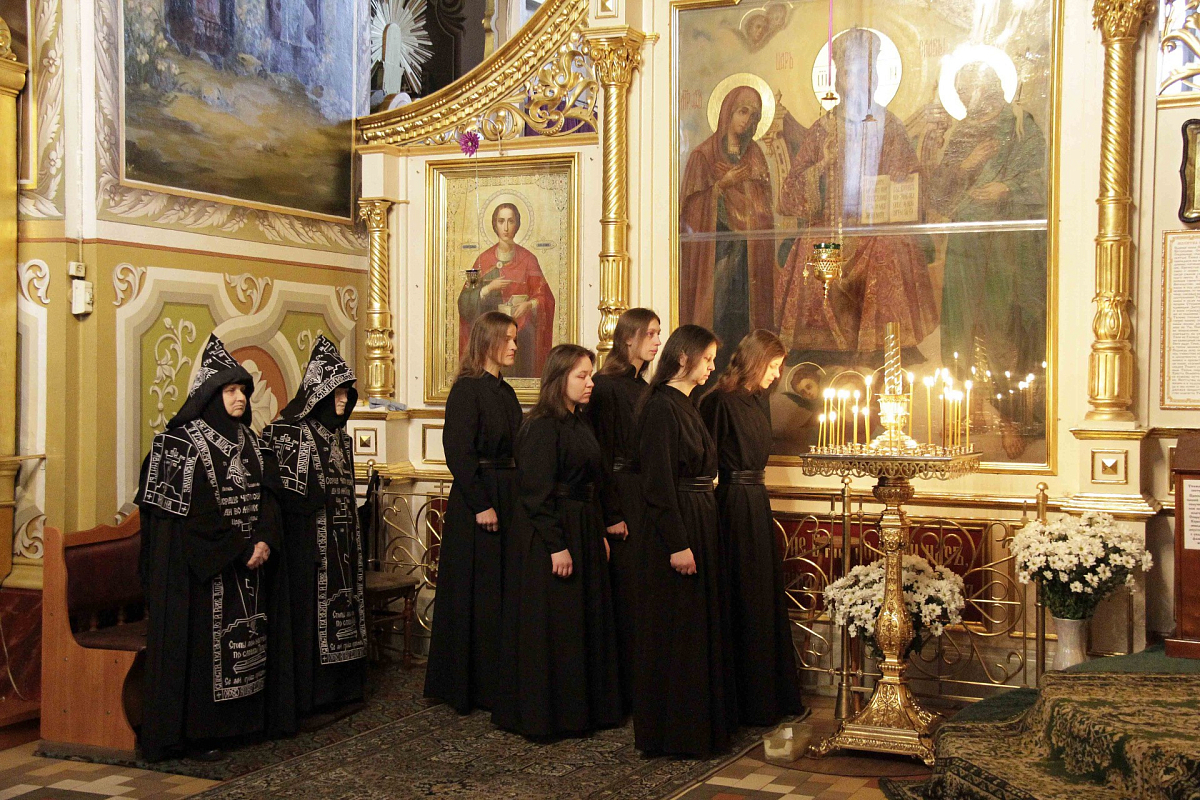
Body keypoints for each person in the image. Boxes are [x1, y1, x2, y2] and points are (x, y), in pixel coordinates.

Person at [136, 334, 294, 761]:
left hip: (251, 560)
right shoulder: (178, 446)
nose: (240, 398)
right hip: (203, 576)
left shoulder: (252, 441)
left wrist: (264, 538)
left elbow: (270, 496)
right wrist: (239, 549)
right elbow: (189, 518)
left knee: (250, 639)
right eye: (230, 390)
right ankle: (203, 732)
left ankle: (246, 724)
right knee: (208, 650)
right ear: (209, 396)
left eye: (243, 390)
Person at [776, 28, 937, 364]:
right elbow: (789, 195)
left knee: (885, 247)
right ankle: (820, 351)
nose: (859, 80)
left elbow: (914, 186)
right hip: (830, 231)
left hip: (876, 230)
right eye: (851, 72)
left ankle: (882, 351)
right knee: (814, 247)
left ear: (874, 78)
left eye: (866, 71)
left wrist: (901, 182)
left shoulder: (889, 126)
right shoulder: (822, 131)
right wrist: (823, 165)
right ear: (839, 78)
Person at [493, 345, 622, 736]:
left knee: (581, 622)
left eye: (591, 374)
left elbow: (591, 484)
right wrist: (556, 546)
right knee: (554, 625)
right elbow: (535, 494)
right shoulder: (541, 426)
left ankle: (581, 711)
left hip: (581, 527)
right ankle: (547, 715)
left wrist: (597, 532)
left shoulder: (579, 422)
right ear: (558, 378)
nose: (590, 382)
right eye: (581, 375)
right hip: (550, 534)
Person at [632, 324, 737, 757]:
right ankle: (674, 733)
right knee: (677, 629)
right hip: (676, 527)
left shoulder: (686, 403)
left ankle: (699, 727)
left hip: (699, 517)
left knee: (697, 626)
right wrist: (677, 544)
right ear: (683, 358)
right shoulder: (661, 407)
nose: (712, 367)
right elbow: (657, 484)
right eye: (707, 358)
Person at [699, 330, 804, 726]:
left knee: (761, 593)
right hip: (732, 505)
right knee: (740, 592)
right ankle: (741, 700)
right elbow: (706, 462)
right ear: (756, 361)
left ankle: (767, 696)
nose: (776, 375)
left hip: (756, 501)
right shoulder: (718, 402)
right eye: (773, 366)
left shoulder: (758, 400)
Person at [260, 335, 366, 723]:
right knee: (309, 619)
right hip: (306, 547)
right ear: (317, 395)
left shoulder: (341, 439)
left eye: (347, 394)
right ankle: (310, 696)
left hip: (342, 545)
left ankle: (341, 691)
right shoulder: (288, 433)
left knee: (343, 609)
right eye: (336, 393)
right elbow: (285, 497)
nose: (342, 400)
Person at [425, 312, 523, 714]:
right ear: (487, 341)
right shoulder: (466, 390)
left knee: (501, 589)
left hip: (507, 495)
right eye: (509, 339)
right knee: (476, 591)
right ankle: (468, 685)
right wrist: (482, 503)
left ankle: (498, 680)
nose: (515, 346)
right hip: (477, 500)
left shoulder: (507, 393)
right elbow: (459, 452)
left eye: (516, 339)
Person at [586, 307, 661, 713]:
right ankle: (620, 689)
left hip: (642, 494)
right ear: (628, 337)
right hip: (620, 495)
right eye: (650, 333)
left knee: (642, 593)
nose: (657, 341)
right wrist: (610, 513)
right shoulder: (606, 385)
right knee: (625, 593)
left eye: (659, 334)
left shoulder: (641, 385)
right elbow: (600, 454)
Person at [679, 85, 776, 374]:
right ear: (727, 112)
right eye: (743, 112)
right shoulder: (703, 156)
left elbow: (764, 209)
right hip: (718, 253)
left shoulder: (755, 155)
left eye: (754, 116)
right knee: (717, 315)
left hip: (749, 258)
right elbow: (690, 212)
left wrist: (751, 200)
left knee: (743, 320)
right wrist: (722, 185)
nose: (748, 120)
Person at [457, 203, 556, 378]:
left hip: (521, 330)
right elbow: (464, 301)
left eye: (511, 221)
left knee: (524, 335)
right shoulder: (483, 260)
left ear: (517, 224)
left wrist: (529, 305)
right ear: (494, 224)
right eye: (501, 221)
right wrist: (488, 288)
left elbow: (545, 297)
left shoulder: (528, 259)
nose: (506, 227)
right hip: (491, 333)